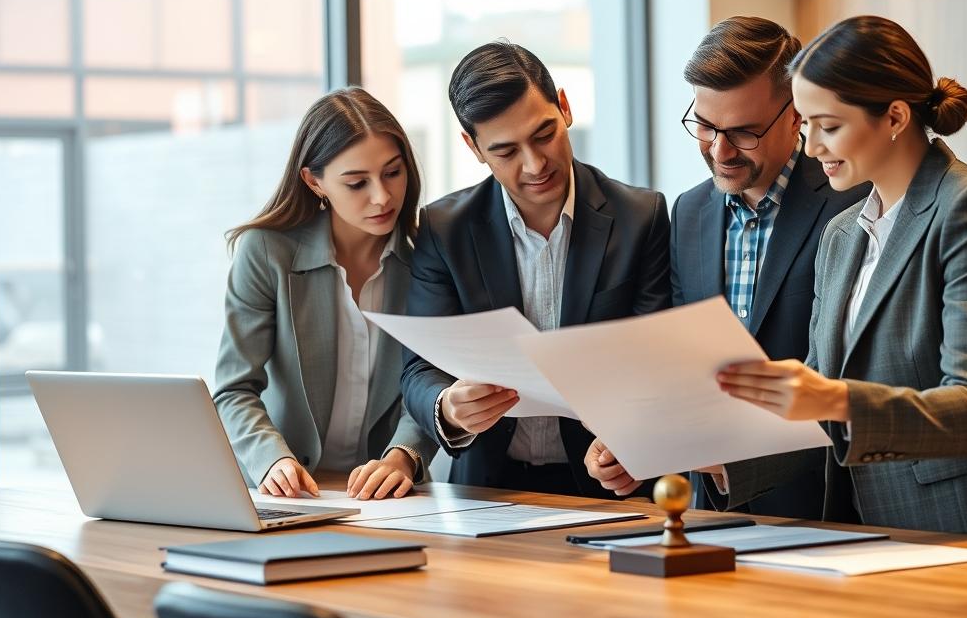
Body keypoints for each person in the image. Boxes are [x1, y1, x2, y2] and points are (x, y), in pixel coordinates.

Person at [717, 16, 967, 541]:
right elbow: (818, 397)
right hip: (868, 537)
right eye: (806, 125)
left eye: (829, 126)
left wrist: (834, 398)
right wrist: (713, 455)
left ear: (895, 117)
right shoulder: (842, 234)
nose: (811, 147)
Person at [582, 16, 867, 519]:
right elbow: (682, 364)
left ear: (796, 116)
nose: (720, 150)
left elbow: (860, 382)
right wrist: (638, 441)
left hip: (829, 505)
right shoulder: (689, 212)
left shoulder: (855, 207)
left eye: (743, 132)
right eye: (706, 126)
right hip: (714, 508)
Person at [399, 40, 671, 498]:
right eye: (506, 152)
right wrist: (448, 407)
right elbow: (418, 369)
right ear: (473, 147)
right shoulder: (445, 229)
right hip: (487, 490)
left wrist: (636, 443)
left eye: (544, 134)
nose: (535, 164)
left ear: (564, 107)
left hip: (607, 484)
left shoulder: (641, 217)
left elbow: (657, 359)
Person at [214, 88, 438, 501]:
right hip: (287, 494)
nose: (382, 196)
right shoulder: (266, 252)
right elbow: (234, 389)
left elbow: (430, 383)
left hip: (385, 501)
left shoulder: (428, 262)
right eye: (357, 183)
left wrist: (403, 457)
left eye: (393, 173)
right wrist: (272, 460)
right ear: (314, 181)